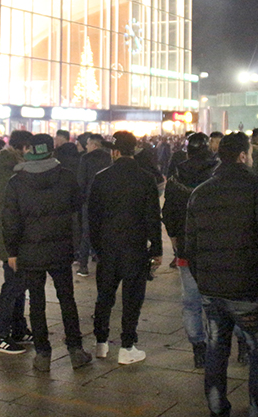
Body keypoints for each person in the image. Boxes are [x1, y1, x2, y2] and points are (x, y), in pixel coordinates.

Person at [186, 131, 258, 417]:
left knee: (216, 351)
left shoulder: (200, 192)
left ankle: (218, 407)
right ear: (243, 155)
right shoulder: (255, 187)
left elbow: (190, 245)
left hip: (211, 288)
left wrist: (202, 278)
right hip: (247, 286)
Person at [0, 133, 92, 370]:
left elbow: (10, 220)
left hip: (30, 252)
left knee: (37, 302)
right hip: (60, 249)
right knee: (67, 299)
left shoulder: (17, 181)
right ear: (52, 151)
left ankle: (43, 354)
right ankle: (76, 350)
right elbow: (77, 206)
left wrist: (12, 252)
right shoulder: (67, 177)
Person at [88, 131, 162, 365]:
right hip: (135, 247)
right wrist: (157, 249)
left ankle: (101, 343)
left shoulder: (101, 178)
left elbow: (93, 218)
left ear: (116, 151)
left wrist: (97, 247)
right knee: (132, 298)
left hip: (108, 247)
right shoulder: (145, 178)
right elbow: (153, 216)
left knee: (104, 296)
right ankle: (127, 346)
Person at [161, 132, 218, 368]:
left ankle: (198, 347)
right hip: (216, 247)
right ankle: (223, 343)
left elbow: (169, 212)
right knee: (218, 300)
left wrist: (174, 237)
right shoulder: (218, 173)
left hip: (186, 247)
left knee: (191, 301)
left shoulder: (177, 177)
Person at [0, 130, 33, 347]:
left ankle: (18, 329)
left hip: (16, 239)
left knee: (19, 285)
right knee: (13, 286)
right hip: (11, 239)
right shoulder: (7, 170)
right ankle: (1, 335)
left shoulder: (12, 167)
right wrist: (10, 249)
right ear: (22, 148)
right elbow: (6, 212)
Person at [76, 134, 112, 277]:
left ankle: (83, 266)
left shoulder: (85, 158)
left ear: (95, 145)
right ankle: (102, 260)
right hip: (105, 200)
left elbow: (81, 181)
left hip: (89, 200)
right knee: (104, 231)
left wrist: (80, 199)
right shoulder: (108, 158)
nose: (86, 146)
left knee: (86, 232)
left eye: (89, 144)